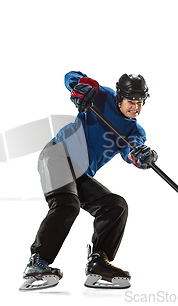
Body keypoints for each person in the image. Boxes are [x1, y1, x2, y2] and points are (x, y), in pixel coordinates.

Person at [19, 71, 158, 291]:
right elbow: (70, 77)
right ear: (119, 98)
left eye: (140, 103)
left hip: (80, 172)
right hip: (58, 155)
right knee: (67, 205)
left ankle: (99, 262)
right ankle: (37, 262)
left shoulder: (133, 129)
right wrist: (83, 87)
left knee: (115, 206)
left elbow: (132, 151)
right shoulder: (102, 96)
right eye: (131, 102)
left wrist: (142, 156)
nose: (136, 108)